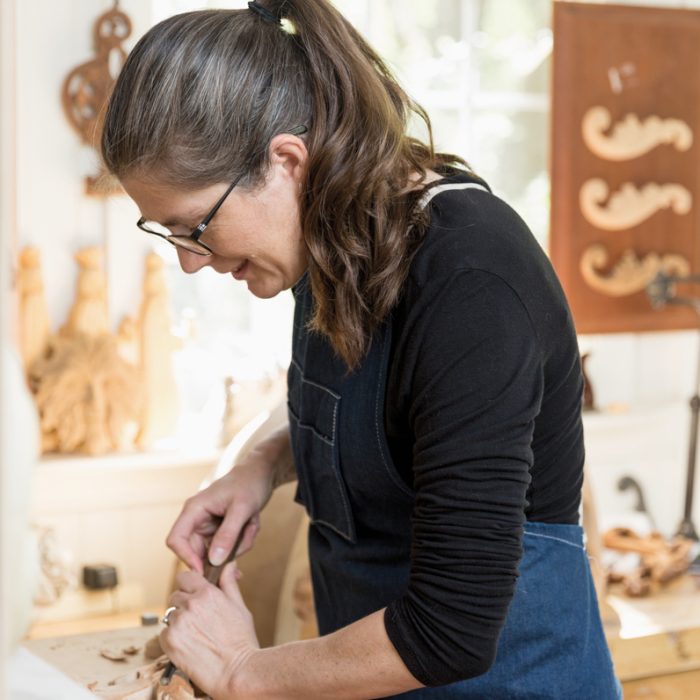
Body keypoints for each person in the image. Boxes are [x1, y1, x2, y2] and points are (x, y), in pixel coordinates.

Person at [101, 2, 621, 698]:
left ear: (286, 162)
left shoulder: (472, 285)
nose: (191, 264)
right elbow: (389, 414)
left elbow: (451, 631)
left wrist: (240, 671)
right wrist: (258, 464)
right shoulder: (335, 251)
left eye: (194, 227)